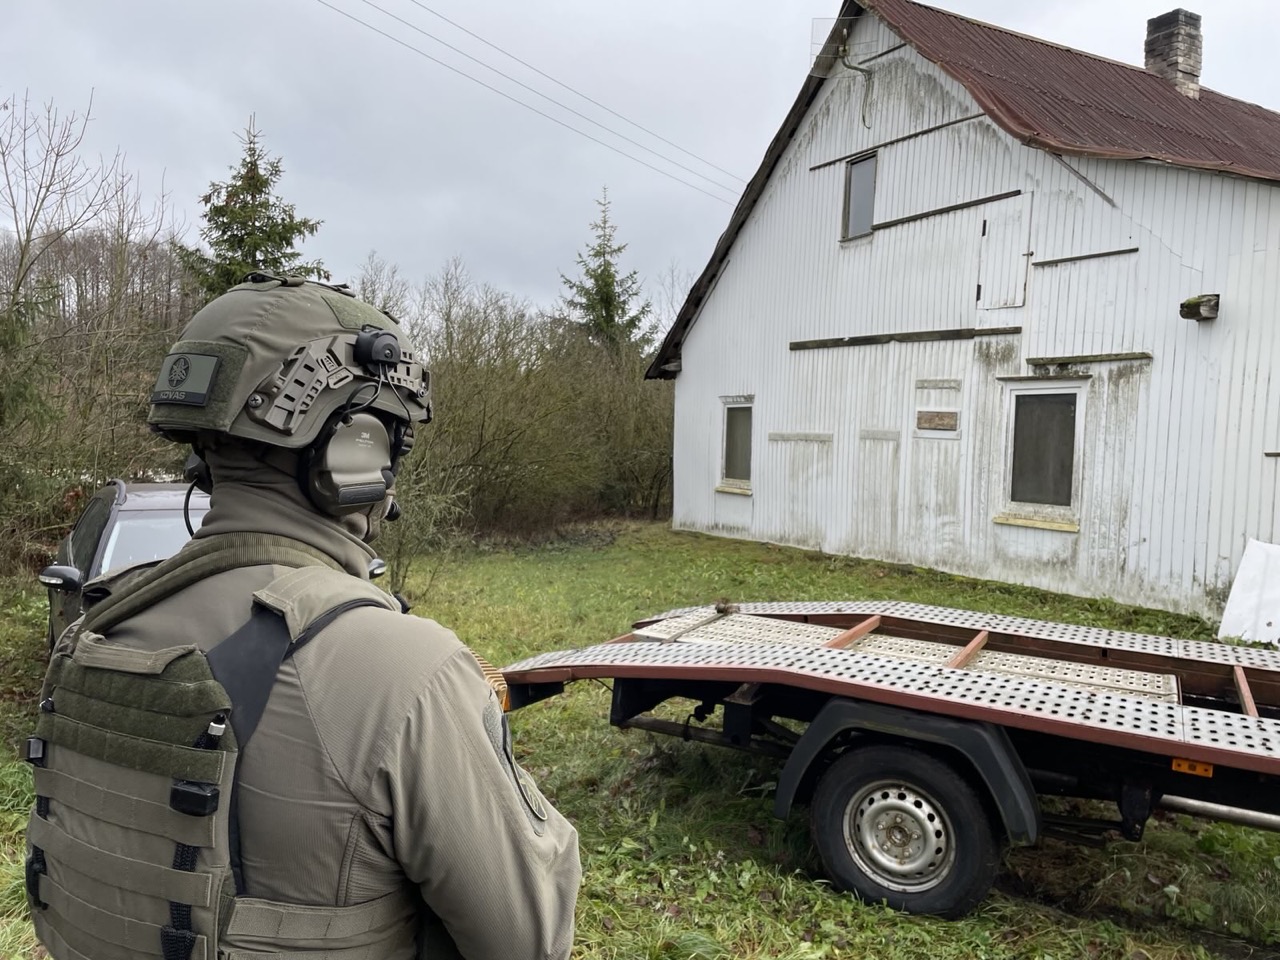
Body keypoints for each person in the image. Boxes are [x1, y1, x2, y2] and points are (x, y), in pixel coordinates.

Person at [26, 274, 580, 959]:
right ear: (358, 452)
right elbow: (528, 936)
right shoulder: (405, 670)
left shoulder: (99, 624)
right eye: (393, 443)